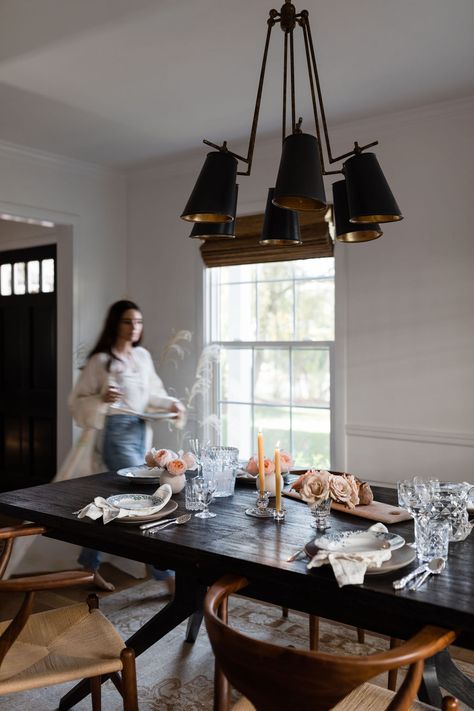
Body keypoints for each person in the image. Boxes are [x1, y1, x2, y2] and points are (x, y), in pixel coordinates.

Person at [69, 299, 185, 592]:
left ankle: (88, 564)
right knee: (147, 499)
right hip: (116, 434)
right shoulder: (101, 361)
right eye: (128, 322)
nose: (135, 328)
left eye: (139, 322)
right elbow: (77, 401)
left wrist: (172, 403)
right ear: (115, 324)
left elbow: (152, 395)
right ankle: (165, 575)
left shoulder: (142, 357)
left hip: (139, 432)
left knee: (113, 502)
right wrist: (101, 399)